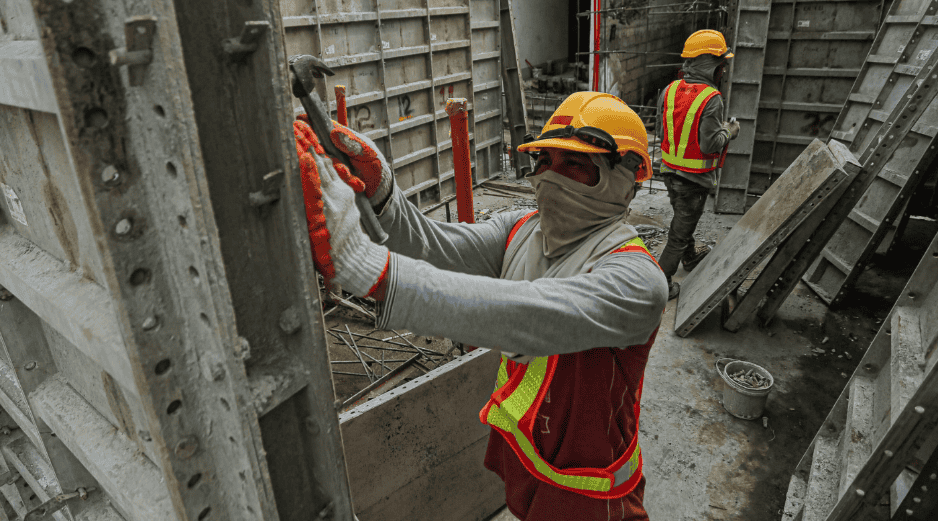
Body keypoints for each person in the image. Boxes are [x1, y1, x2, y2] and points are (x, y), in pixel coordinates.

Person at [293, 91, 668, 521]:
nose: (550, 176)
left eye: (575, 164)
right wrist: (382, 193)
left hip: (594, 494)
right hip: (528, 461)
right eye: (544, 161)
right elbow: (436, 247)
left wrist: (371, 269)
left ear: (624, 178)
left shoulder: (638, 281)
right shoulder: (522, 229)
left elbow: (530, 317)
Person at [656, 29, 740, 300]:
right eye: (721, 64)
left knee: (683, 220)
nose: (723, 70)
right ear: (709, 64)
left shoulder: (669, 91)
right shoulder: (711, 98)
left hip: (669, 173)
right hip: (693, 180)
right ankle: (661, 283)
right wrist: (729, 131)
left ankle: (690, 257)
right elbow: (710, 145)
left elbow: (661, 131)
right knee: (678, 234)